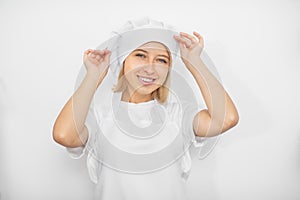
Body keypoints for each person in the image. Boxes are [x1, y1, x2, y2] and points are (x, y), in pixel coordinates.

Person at [52, 18, 239, 199]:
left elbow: (226, 119)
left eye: (162, 60)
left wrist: (194, 62)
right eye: (140, 55)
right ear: (123, 61)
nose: (151, 69)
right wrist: (92, 76)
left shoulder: (177, 115)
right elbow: (63, 135)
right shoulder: (101, 117)